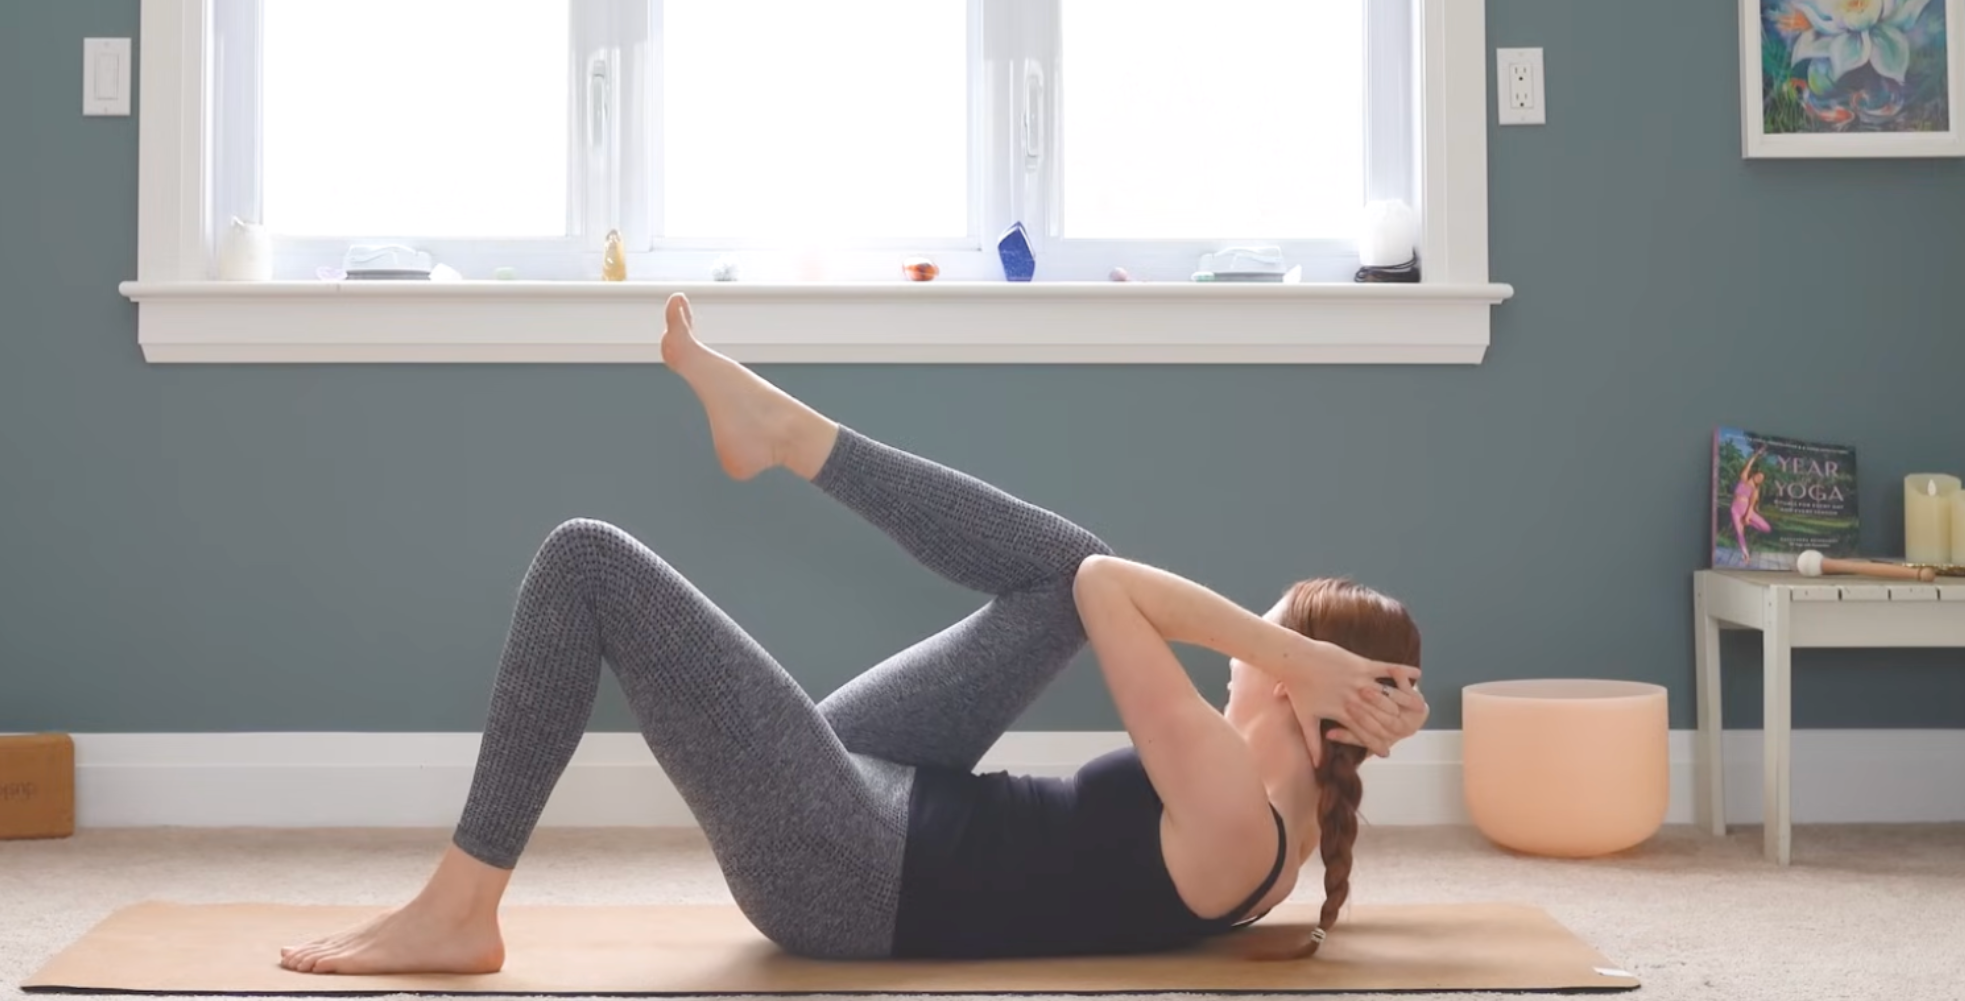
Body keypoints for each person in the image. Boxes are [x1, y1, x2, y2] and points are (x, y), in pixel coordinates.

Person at [281, 294, 1428, 975]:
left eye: (1265, 636)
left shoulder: (1240, 812)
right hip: (890, 797)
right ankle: (783, 430)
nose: (1247, 644)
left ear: (1301, 691)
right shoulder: (1282, 817)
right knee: (1060, 559)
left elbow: (1107, 590)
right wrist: (1344, 678)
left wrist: (1306, 657)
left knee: (584, 559)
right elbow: (1088, 578)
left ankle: (460, 909)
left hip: (845, 869)